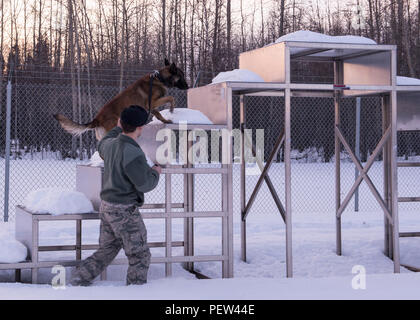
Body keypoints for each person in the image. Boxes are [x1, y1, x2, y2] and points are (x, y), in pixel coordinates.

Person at [71, 105, 161, 286]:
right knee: (140, 255)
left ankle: (79, 278)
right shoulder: (134, 153)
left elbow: (103, 142)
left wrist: (118, 127)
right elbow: (145, 184)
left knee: (108, 248)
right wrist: (155, 172)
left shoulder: (110, 145)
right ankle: (135, 291)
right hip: (124, 210)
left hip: (107, 206)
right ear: (140, 128)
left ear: (122, 123)